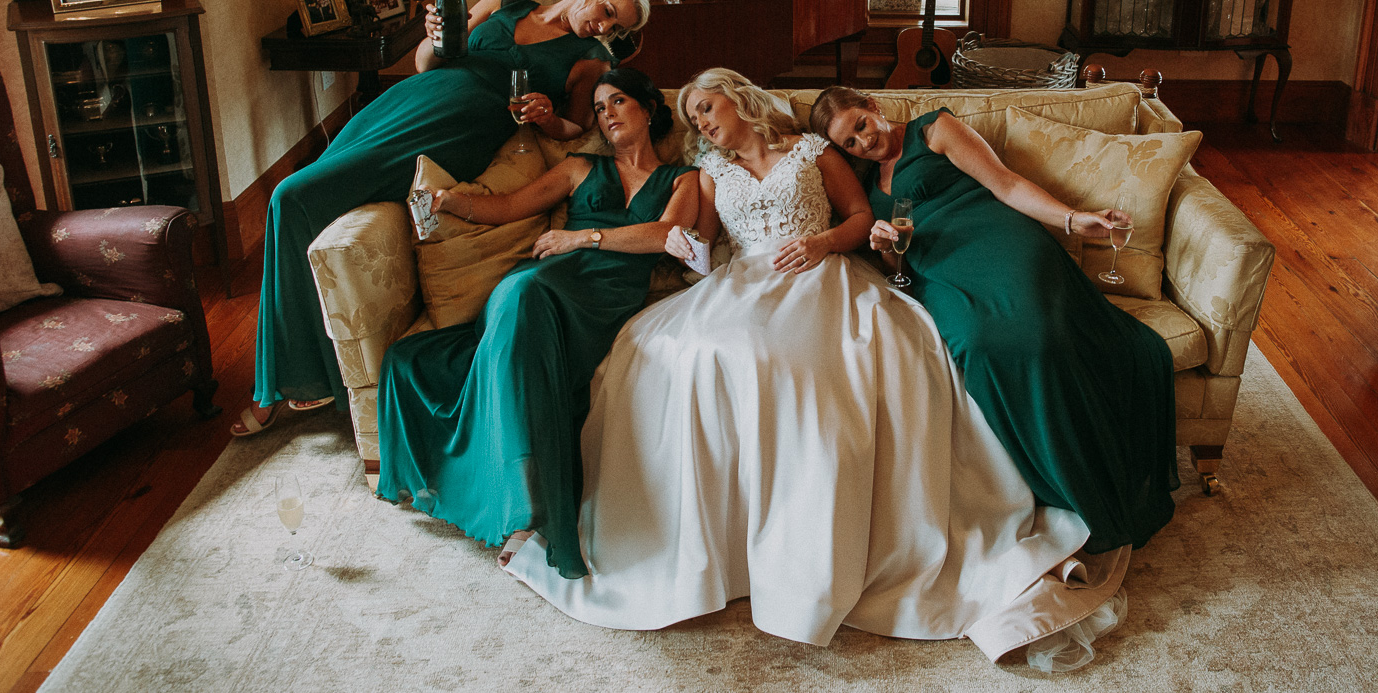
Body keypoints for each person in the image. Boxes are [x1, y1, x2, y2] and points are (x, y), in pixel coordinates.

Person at [506, 69, 1115, 660]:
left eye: (708, 108)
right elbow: (706, 249)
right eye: (693, 117)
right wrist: (679, 247)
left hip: (823, 272)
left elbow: (857, 217)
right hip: (746, 277)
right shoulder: (710, 173)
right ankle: (707, 548)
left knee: (817, 369)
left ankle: (828, 556)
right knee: (683, 352)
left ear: (739, 100)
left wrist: (821, 243)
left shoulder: (812, 150)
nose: (702, 123)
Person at [231, 0, 652, 438]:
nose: (605, 28)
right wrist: (434, 36)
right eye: (609, 13)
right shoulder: (500, 1)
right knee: (296, 198)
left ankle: (273, 387)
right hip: (403, 103)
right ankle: (302, 373)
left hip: (456, 129)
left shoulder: (591, 60)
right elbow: (426, 62)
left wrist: (547, 117)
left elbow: (576, 130)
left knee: (291, 196)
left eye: (617, 28)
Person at [812, 87, 1180, 555]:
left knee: (1037, 336)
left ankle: (1091, 480)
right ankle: (1050, 482)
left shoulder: (935, 129)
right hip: (939, 274)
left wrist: (1072, 220)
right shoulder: (864, 193)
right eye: (850, 144)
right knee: (978, 344)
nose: (863, 144)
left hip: (1000, 241)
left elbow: (1005, 184)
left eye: (861, 126)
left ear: (873, 107)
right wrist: (886, 250)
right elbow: (898, 274)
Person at [377, 68, 698, 575]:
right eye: (598, 108)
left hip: (602, 298)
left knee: (524, 329)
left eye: (617, 101)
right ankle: (527, 511)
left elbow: (666, 234)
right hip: (541, 285)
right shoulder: (578, 167)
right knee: (452, 337)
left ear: (649, 108)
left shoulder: (683, 179)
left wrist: (581, 237)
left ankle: (530, 509)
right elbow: (505, 207)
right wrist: (449, 201)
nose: (607, 114)